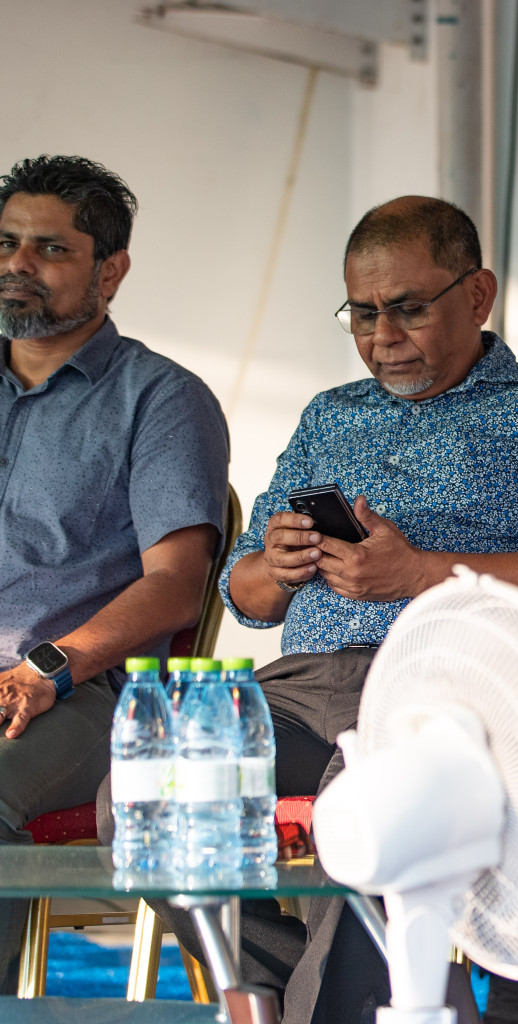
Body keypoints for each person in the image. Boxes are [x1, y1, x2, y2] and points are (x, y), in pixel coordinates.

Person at [108, 195, 518, 1024]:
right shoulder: (331, 414)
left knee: (374, 814)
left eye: (408, 309)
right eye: (362, 312)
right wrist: (276, 567)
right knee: (150, 786)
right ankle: (329, 980)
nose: (382, 336)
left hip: (454, 690)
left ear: (478, 295)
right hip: (302, 683)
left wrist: (419, 572)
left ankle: (341, 999)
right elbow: (240, 595)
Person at [0, 155, 228, 991]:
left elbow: (176, 584)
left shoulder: (160, 399)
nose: (18, 264)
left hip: (83, 689)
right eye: (7, 243)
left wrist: (47, 669)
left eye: (50, 250)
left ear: (112, 269)